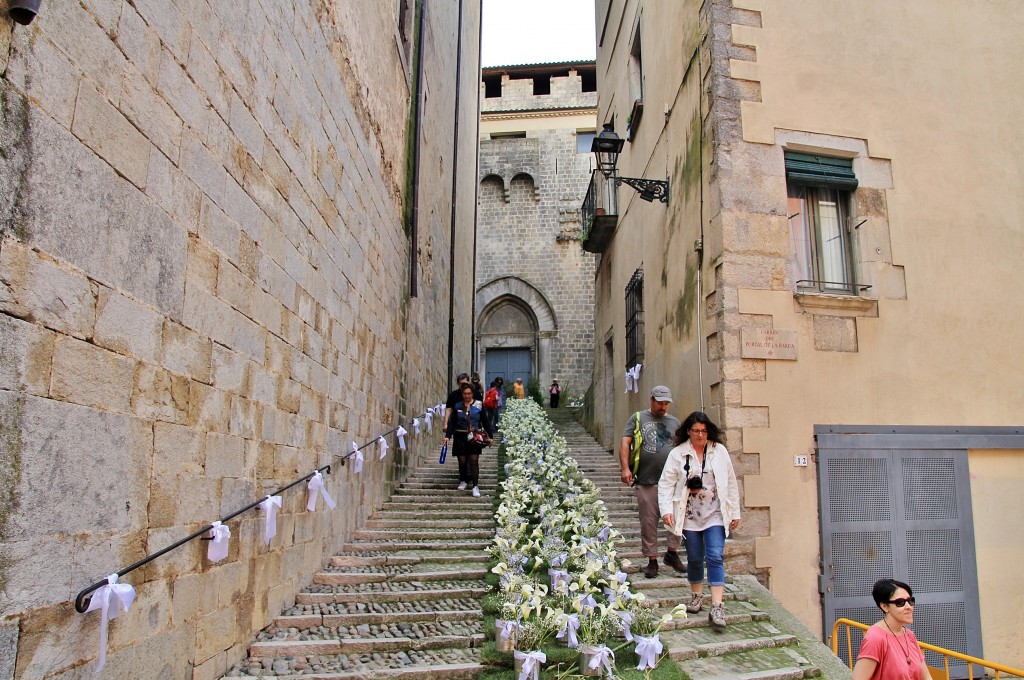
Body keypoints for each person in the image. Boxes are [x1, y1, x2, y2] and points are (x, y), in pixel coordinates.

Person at [658, 411, 740, 629]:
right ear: (688, 431)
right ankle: (696, 596)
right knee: (694, 558)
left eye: (704, 431)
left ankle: (717, 605)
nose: (700, 435)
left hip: (715, 513)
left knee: (715, 556)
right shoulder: (678, 454)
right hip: (690, 515)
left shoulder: (719, 451)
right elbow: (665, 484)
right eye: (696, 431)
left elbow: (730, 482)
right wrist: (667, 510)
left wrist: (735, 512)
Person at [619, 386, 683, 579]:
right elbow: (625, 442)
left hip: (672, 481)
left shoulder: (674, 422)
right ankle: (652, 560)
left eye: (666, 403)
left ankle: (672, 553)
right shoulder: (638, 418)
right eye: (660, 402)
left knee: (676, 517)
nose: (663, 407)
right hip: (646, 478)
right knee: (648, 520)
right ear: (651, 400)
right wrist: (625, 468)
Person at [851, 579, 928, 680]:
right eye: (900, 602)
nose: (909, 607)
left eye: (910, 601)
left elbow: (926, 676)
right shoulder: (875, 638)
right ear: (884, 606)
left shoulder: (909, 635)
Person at [442, 384, 493, 497]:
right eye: (465, 394)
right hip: (460, 436)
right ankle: (463, 480)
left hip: (474, 437)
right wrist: (447, 436)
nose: (467, 396)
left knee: (474, 461)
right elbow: (452, 423)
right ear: (462, 394)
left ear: (472, 394)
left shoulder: (479, 405)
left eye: (469, 393)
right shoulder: (457, 406)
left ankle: (475, 486)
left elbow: (485, 421)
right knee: (462, 461)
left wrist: (490, 436)